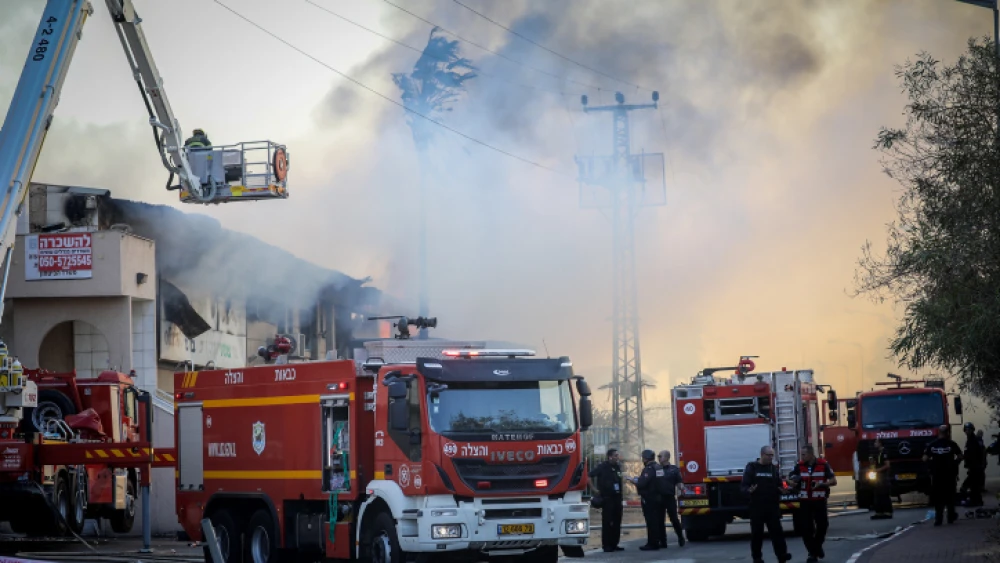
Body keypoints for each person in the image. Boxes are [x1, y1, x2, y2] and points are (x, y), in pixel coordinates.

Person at [740, 445, 792, 563]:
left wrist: (782, 490)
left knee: (777, 532)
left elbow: (778, 484)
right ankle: (757, 558)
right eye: (769, 455)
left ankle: (782, 555)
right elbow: (744, 486)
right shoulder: (752, 467)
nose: (771, 458)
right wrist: (749, 491)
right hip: (757, 507)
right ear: (762, 455)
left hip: (772, 506)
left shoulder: (773, 469)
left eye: (772, 455)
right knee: (757, 534)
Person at [790, 445, 836, 562]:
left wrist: (822, 484)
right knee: (806, 529)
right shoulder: (799, 466)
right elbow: (790, 479)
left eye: (804, 454)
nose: (802, 457)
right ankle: (812, 553)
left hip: (819, 501)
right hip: (805, 502)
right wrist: (792, 483)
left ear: (811, 454)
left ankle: (817, 547)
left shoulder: (823, 464)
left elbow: (833, 481)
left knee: (823, 526)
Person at [923, 424, 964, 526]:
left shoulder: (932, 445)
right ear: (947, 433)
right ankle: (950, 517)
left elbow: (924, 458)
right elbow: (960, 456)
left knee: (938, 498)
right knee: (950, 496)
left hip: (937, 475)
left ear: (938, 433)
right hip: (950, 474)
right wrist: (955, 464)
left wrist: (931, 465)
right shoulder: (951, 444)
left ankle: (938, 519)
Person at [588, 448, 625, 552]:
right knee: (608, 522)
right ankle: (607, 545)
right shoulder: (602, 467)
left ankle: (615, 544)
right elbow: (589, 476)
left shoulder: (617, 467)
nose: (617, 457)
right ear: (610, 457)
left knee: (617, 522)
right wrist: (594, 490)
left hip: (617, 498)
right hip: (607, 498)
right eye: (615, 455)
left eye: (617, 455)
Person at [631, 449, 665, 551]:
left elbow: (642, 483)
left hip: (650, 498)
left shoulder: (649, 469)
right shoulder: (659, 467)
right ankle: (661, 541)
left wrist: (634, 481)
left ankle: (652, 543)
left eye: (643, 458)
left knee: (651, 521)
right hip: (659, 497)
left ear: (645, 458)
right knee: (659, 521)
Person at [656, 450, 685, 547]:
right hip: (659, 498)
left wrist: (681, 487)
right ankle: (663, 542)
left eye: (660, 456)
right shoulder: (656, 468)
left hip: (669, 497)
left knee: (674, 519)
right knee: (660, 520)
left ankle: (680, 537)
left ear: (667, 458)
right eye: (658, 456)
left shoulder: (674, 469)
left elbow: (679, 481)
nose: (659, 458)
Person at [960, 422, 984, 506]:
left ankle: (974, 501)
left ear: (972, 430)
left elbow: (976, 454)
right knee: (974, 485)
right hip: (973, 467)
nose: (967, 431)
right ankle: (978, 501)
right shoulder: (970, 440)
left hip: (975, 466)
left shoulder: (974, 440)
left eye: (969, 430)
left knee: (971, 486)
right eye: (966, 430)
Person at [870, 439, 893, 519]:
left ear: (880, 443)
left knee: (884, 495)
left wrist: (877, 470)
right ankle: (879, 512)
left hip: (883, 477)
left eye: (876, 442)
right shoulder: (878, 453)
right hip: (878, 478)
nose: (874, 443)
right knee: (877, 494)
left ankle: (888, 512)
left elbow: (887, 465)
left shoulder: (884, 452)